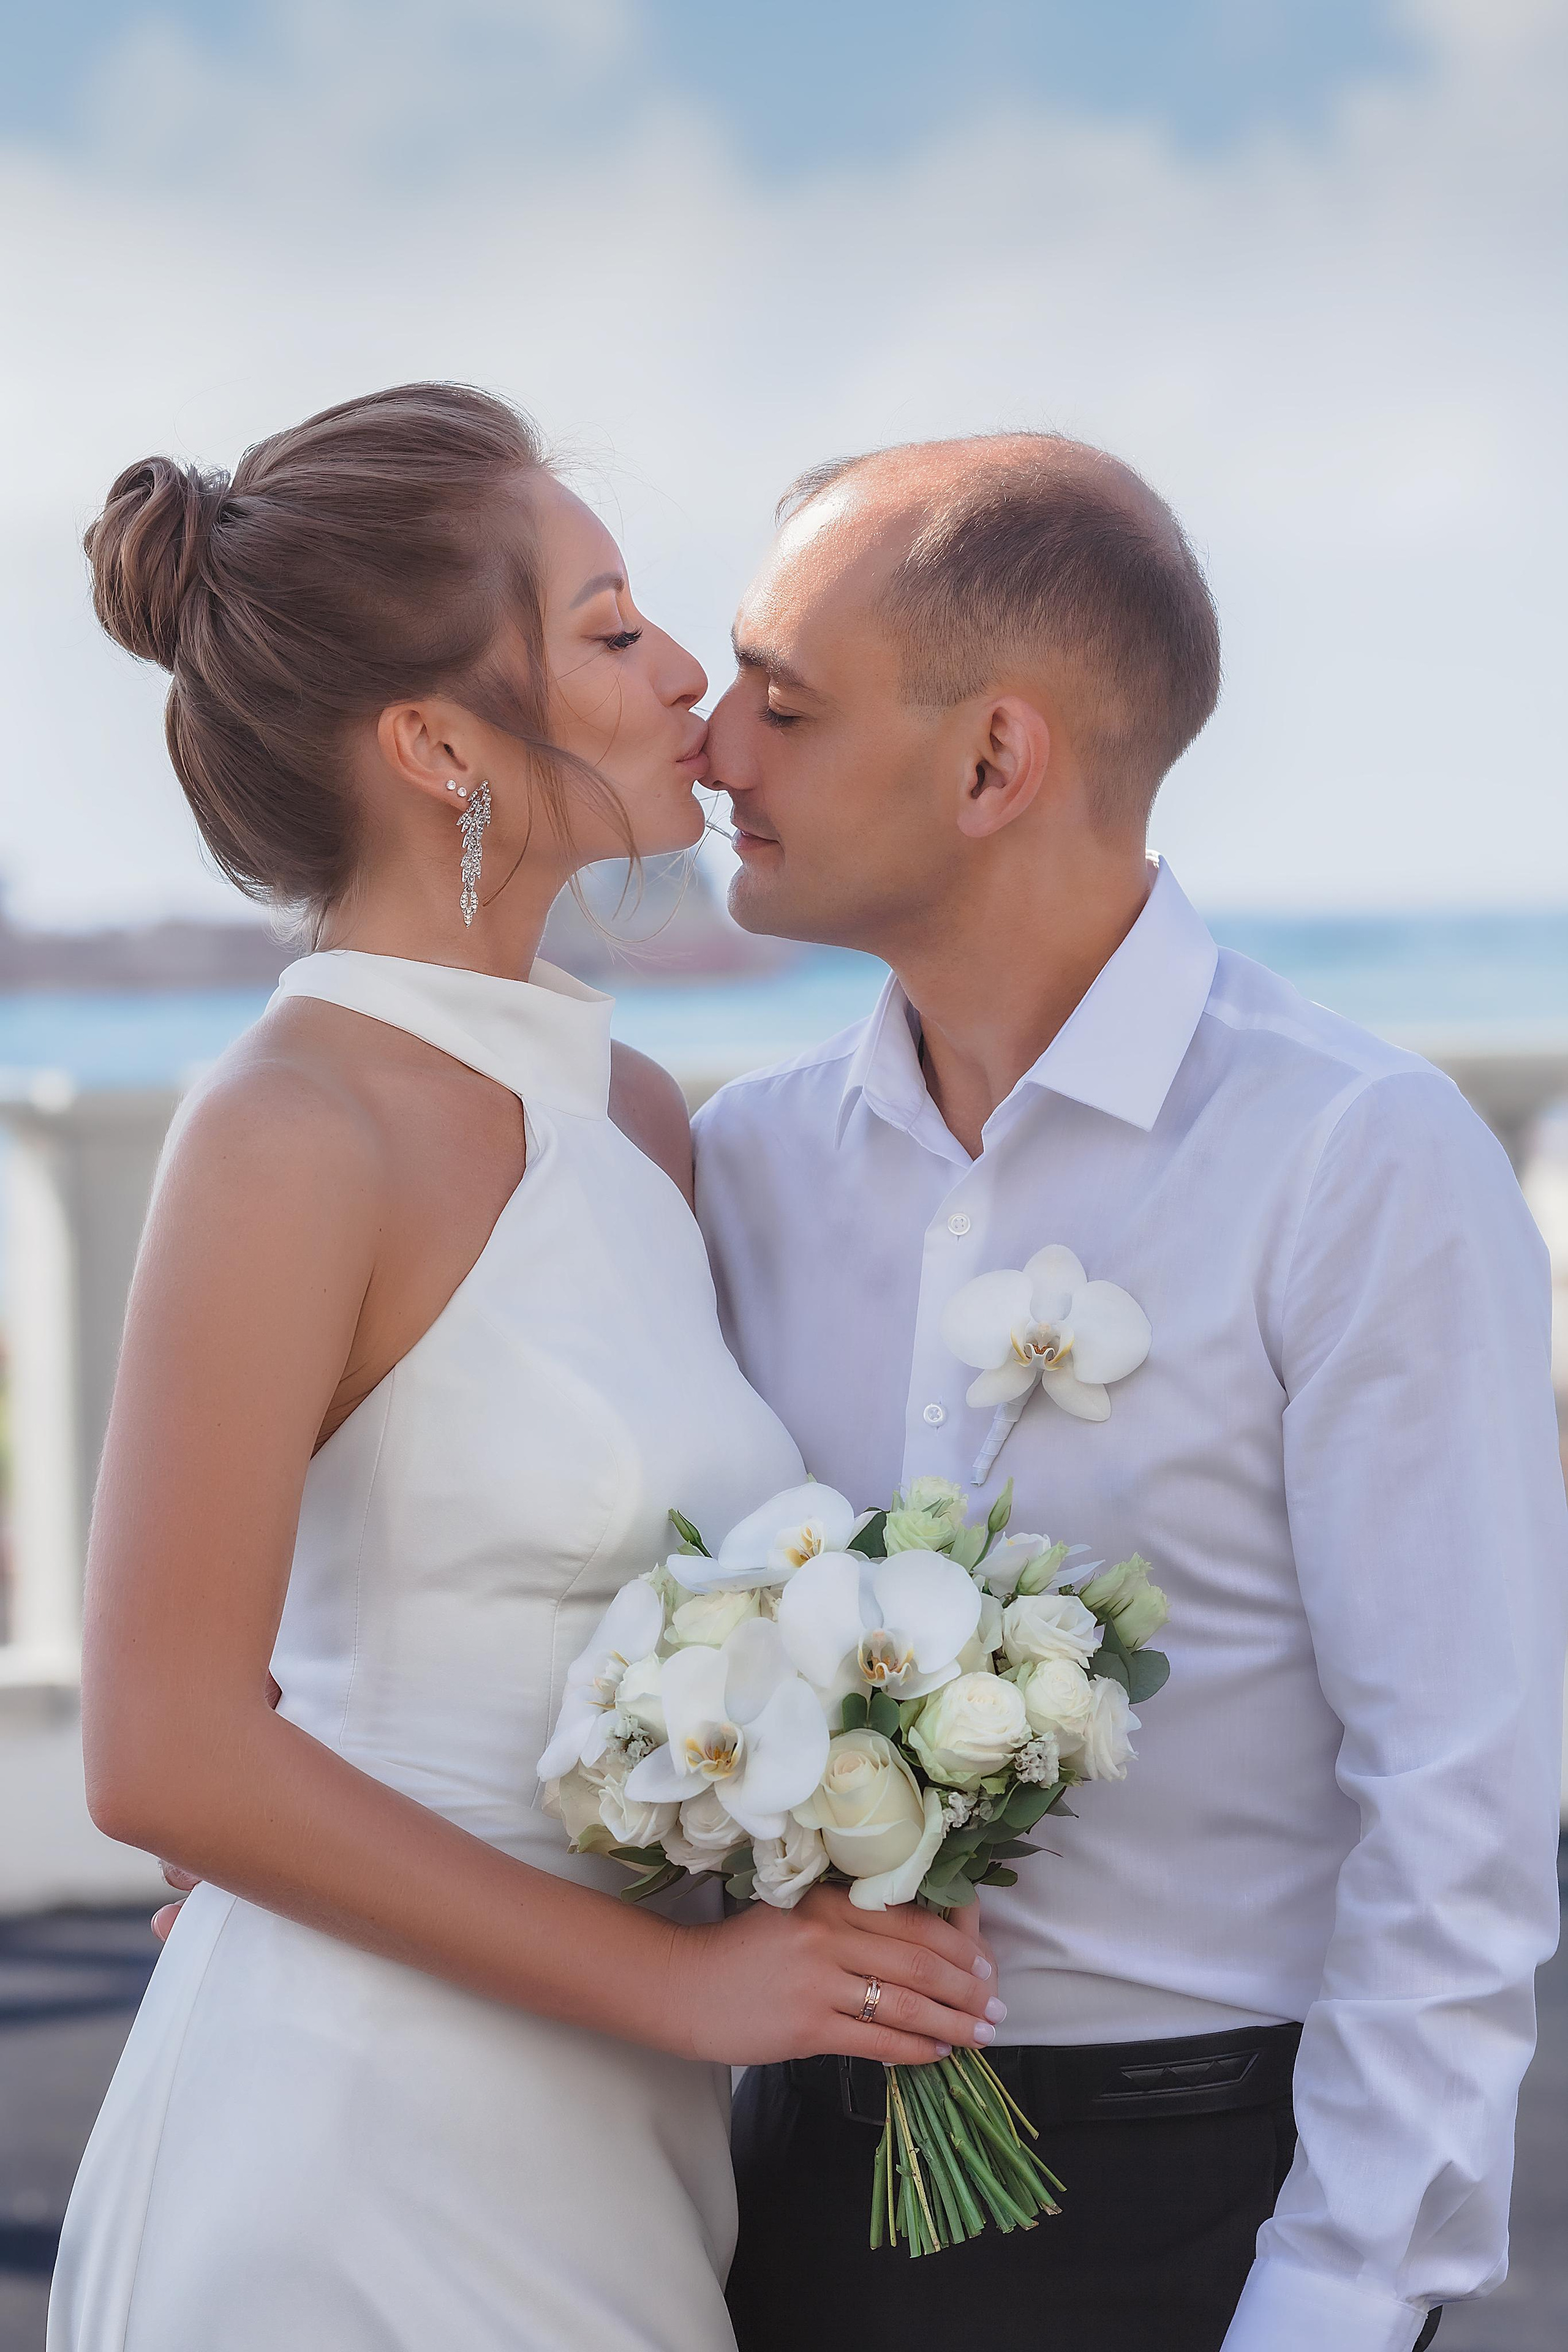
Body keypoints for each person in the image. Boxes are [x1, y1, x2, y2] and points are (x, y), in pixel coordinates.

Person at [48, 385, 1001, 2352]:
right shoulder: (294, 1127)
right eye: (607, 625)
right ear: (432, 742)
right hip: (355, 2138)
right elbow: (161, 1749)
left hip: (616, 2141)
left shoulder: (636, 1116)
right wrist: (682, 1992)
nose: (685, 677)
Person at [695, 433, 1568, 2352]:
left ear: (996, 761)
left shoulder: (1358, 1156)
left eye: (782, 699)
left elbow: (1461, 1800)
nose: (712, 749)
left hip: (1206, 2213)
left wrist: (1339, 2296)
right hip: (775, 2195)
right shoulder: (742, 1166)